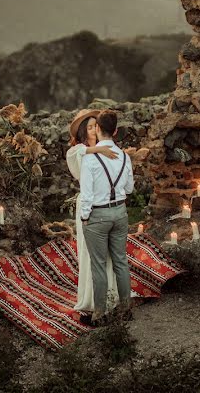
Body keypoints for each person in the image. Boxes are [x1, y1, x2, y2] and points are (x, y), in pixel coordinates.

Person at [78, 110, 133, 324]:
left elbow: (87, 194)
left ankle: (99, 314)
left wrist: (85, 218)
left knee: (99, 265)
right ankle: (126, 309)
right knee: (121, 261)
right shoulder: (125, 156)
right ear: (116, 130)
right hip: (120, 212)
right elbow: (129, 187)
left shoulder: (90, 159)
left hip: (97, 215)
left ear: (98, 129)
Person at [65, 109, 119, 318]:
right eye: (88, 127)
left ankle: (110, 295)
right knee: (90, 251)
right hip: (87, 204)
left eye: (95, 126)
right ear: (82, 132)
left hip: (106, 202)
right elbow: (74, 154)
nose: (93, 130)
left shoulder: (105, 148)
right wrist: (98, 150)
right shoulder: (79, 150)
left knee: (108, 251)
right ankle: (90, 297)